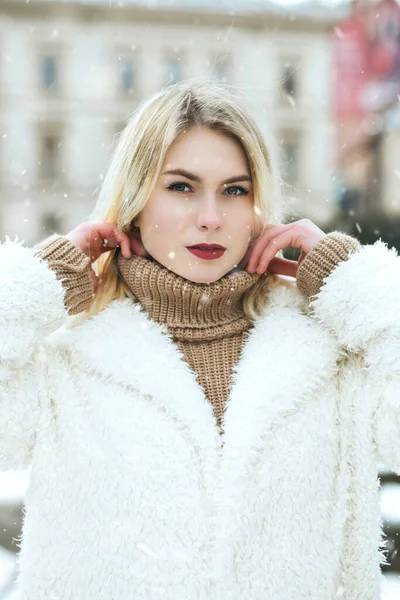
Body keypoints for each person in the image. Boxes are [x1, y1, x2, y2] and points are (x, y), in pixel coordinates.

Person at [0, 80, 398, 600]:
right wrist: (41, 280)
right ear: (137, 199)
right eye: (181, 187)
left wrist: (352, 280)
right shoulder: (67, 358)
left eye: (235, 190)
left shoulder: (328, 354)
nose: (211, 216)